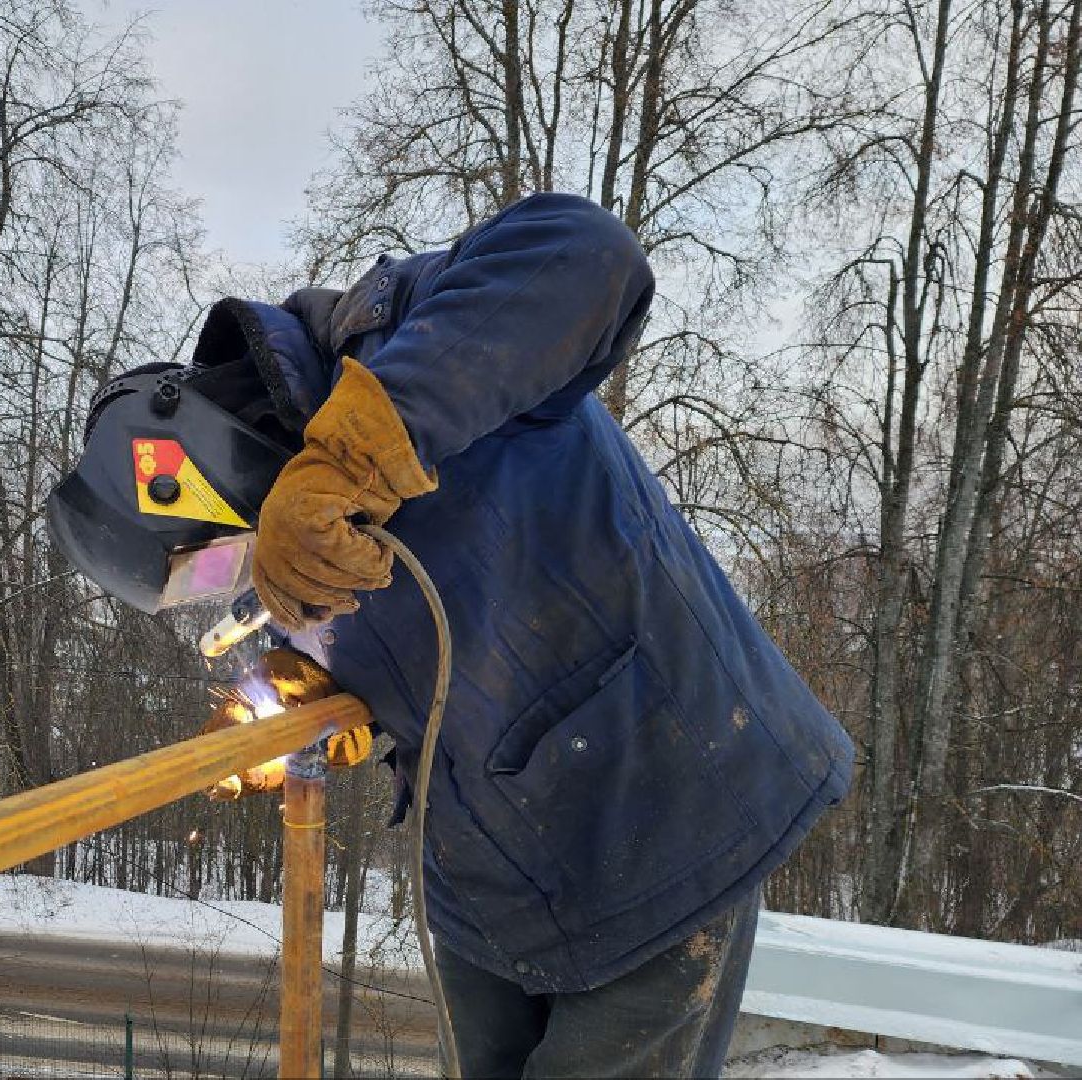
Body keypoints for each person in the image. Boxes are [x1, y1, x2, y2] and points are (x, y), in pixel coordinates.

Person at [46, 193, 855, 1078]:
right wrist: (322, 697)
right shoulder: (301, 553)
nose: (228, 582)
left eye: (203, 565)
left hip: (660, 817)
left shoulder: (395, 344)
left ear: (198, 464)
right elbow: (413, 644)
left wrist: (345, 461)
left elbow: (586, 250)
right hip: (493, 874)